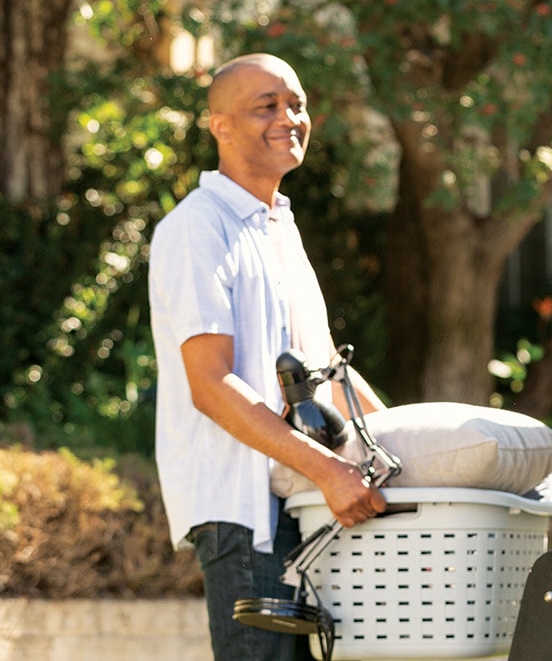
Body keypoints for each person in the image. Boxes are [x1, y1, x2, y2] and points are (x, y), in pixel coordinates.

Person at [149, 53, 388, 660]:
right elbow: (211, 384)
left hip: (304, 499)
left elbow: (327, 366)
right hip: (244, 514)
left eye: (297, 104)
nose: (290, 117)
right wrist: (332, 472)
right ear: (220, 126)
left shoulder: (278, 226)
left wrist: (399, 448)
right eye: (267, 106)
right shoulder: (197, 228)